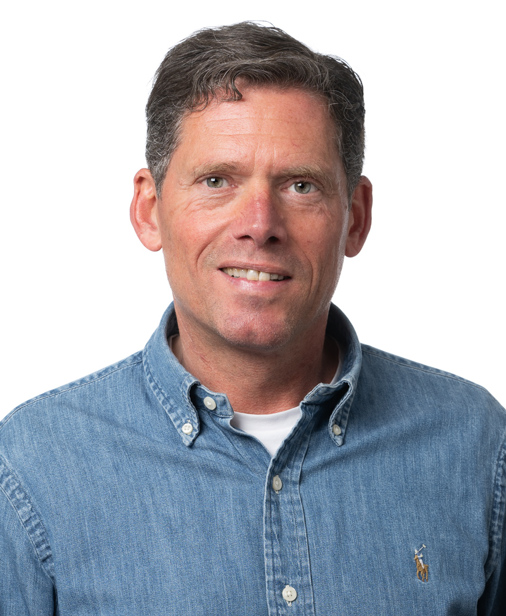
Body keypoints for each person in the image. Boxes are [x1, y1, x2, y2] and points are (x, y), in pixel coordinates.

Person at [0, 21, 504, 615]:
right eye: (217, 180)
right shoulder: (32, 466)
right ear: (149, 209)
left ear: (357, 217)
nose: (260, 225)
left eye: (300, 185)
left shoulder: (477, 446)